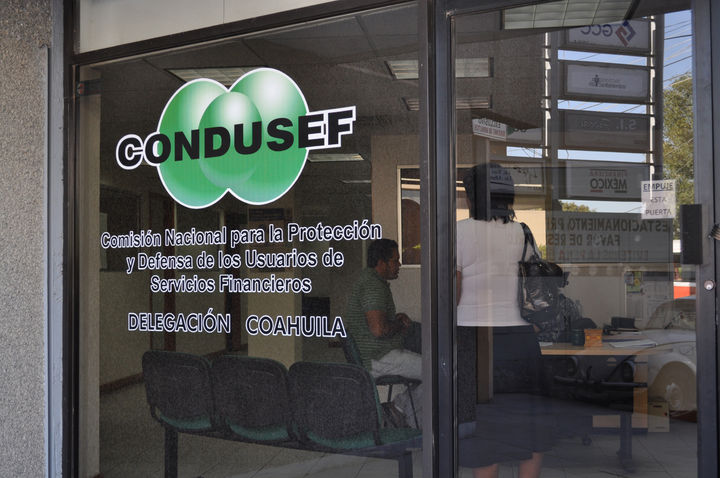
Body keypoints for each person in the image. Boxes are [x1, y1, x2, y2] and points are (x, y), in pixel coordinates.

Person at [456, 163, 552, 478]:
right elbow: (536, 290)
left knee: (483, 430)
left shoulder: (459, 232)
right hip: (519, 339)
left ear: (472, 197)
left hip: (474, 338)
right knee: (529, 426)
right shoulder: (522, 232)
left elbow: (452, 294)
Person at [345, 238, 422, 427]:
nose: (399, 265)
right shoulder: (373, 286)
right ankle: (398, 409)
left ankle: (401, 412)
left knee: (434, 368)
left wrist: (394, 320)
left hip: (378, 355)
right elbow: (379, 330)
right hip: (379, 358)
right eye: (395, 260)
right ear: (381, 262)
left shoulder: (369, 282)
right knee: (441, 369)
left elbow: (376, 322)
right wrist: (399, 325)